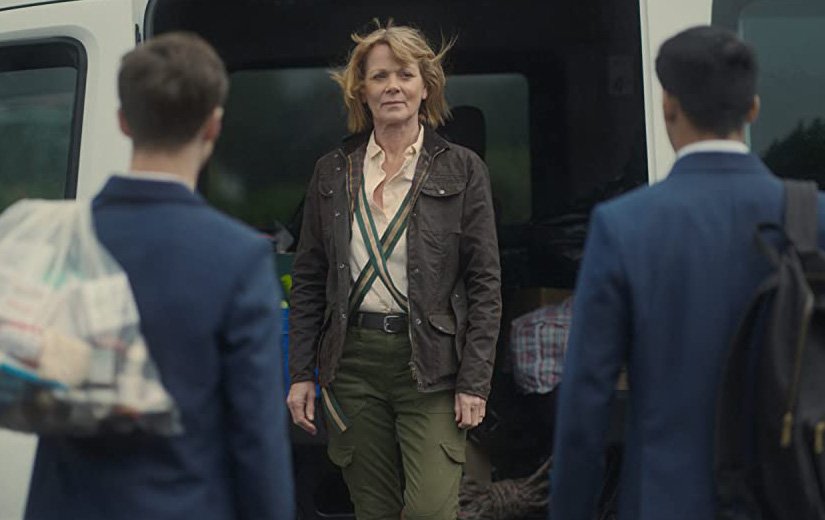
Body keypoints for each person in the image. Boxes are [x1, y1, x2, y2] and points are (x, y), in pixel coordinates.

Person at [550, 25, 825, 520]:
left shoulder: (623, 225)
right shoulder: (815, 218)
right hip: (794, 497)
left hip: (666, 501)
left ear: (668, 107)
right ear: (753, 109)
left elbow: (586, 398)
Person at [24, 32, 294, 520]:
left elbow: (42, 401)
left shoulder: (61, 237)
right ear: (213, 126)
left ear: (123, 121)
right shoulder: (239, 257)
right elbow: (256, 437)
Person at [286, 21, 501, 520]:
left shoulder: (463, 168)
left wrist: (475, 380)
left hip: (433, 363)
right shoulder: (332, 170)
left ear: (426, 87)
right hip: (351, 362)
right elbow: (310, 279)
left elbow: (485, 284)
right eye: (379, 76)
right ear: (361, 90)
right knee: (373, 509)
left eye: (405, 74)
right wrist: (300, 374)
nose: (392, 87)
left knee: (430, 511)